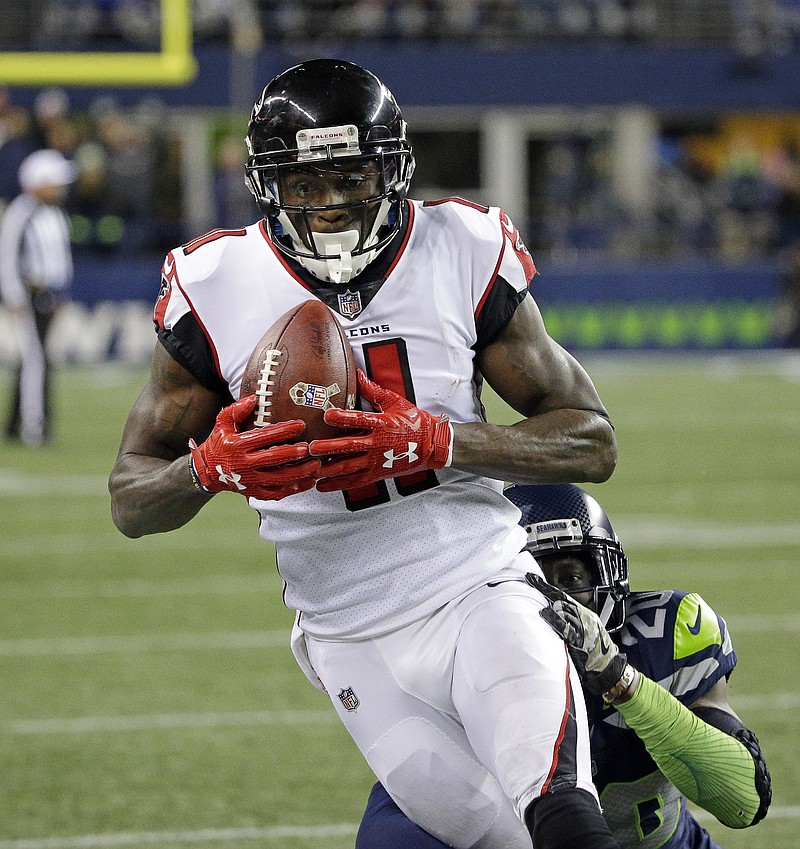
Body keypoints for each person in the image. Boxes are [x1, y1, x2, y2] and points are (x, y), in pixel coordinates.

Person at [108, 59, 619, 849]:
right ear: (269, 186)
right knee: (501, 839)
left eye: (351, 175)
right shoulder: (215, 282)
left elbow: (592, 438)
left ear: (392, 169)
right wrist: (207, 468)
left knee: (563, 817)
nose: (332, 204)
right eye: (305, 184)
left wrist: (439, 439)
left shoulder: (460, 245)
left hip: (477, 581)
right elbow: (130, 498)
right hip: (348, 629)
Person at [357, 484, 772, 849]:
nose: (556, 600)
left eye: (571, 577)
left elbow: (743, 801)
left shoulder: (664, 637)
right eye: (532, 578)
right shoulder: (453, 653)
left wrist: (621, 680)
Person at [0, 148, 75, 445]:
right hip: (29, 296)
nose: (60, 188)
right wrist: (14, 296)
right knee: (35, 361)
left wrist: (62, 292)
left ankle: (15, 424)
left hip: (49, 296)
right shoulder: (22, 211)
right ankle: (34, 427)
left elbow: (59, 258)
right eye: (55, 182)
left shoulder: (54, 213)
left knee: (37, 358)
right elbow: (8, 257)